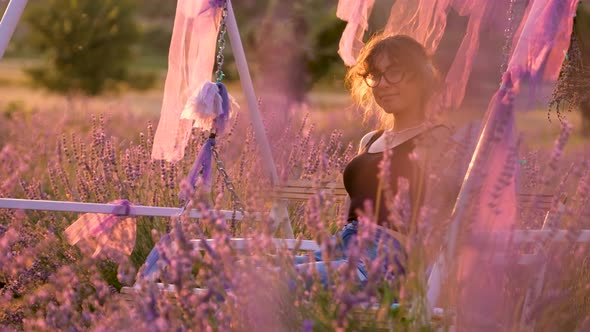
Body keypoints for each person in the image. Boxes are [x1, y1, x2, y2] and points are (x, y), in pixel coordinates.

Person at [294, 34, 460, 288]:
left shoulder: (436, 140)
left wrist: (419, 288)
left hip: (385, 262)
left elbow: (439, 223)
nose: (382, 83)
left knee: (273, 282)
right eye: (375, 75)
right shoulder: (370, 140)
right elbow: (351, 215)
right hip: (342, 247)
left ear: (420, 77)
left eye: (394, 72)